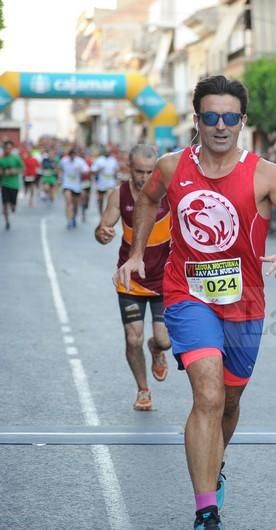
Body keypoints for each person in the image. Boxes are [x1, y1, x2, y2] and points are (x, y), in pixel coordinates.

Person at [116, 75, 276, 529]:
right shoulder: (172, 167)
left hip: (245, 302)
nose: (220, 125)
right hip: (187, 295)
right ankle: (205, 508)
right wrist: (136, 254)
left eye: (230, 117)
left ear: (242, 121)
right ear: (197, 119)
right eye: (210, 116)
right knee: (207, 394)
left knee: (229, 402)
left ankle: (216, 460)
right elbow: (149, 197)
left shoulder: (266, 174)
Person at [95, 144, 171, 410]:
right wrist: (102, 233)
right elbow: (103, 228)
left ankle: (157, 349)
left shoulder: (170, 194)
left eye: (151, 171)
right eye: (139, 171)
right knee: (132, 338)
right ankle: (143, 389)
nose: (145, 177)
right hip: (131, 279)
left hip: (165, 279)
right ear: (129, 167)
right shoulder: (120, 194)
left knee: (165, 339)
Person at [59, 148, 89, 230]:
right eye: (70, 155)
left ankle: (74, 217)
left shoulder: (80, 161)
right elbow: (60, 169)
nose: (72, 156)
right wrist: (60, 179)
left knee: (75, 205)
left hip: (76, 186)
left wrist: (81, 170)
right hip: (67, 185)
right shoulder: (64, 161)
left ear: (75, 155)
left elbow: (86, 171)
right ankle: (69, 221)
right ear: (68, 155)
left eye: (73, 155)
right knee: (68, 202)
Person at [0, 140, 23, 230]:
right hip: (4, 184)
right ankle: (7, 222)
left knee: (12, 204)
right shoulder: (1, 159)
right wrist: (4, 172)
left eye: (9, 148)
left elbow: (22, 168)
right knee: (5, 205)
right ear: (4, 149)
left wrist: (15, 171)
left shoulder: (16, 158)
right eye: (6, 148)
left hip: (14, 185)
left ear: (12, 149)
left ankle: (13, 206)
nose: (8, 150)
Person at [92, 145, 120, 213]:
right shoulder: (99, 160)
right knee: (100, 200)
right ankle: (100, 213)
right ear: (104, 152)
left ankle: (107, 213)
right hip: (101, 184)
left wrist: (117, 180)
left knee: (109, 198)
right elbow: (93, 170)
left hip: (110, 183)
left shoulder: (113, 160)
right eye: (106, 151)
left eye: (109, 151)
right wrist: (99, 169)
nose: (107, 153)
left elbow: (116, 171)